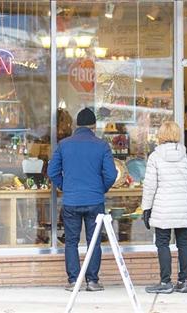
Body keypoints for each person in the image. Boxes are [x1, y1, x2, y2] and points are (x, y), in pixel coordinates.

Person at [48, 108, 117, 292]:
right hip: (95, 201)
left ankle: (73, 281)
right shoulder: (101, 145)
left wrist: (65, 187)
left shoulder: (64, 144)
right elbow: (111, 174)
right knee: (93, 241)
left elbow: (52, 171)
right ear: (94, 125)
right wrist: (100, 189)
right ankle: (92, 281)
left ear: (77, 124)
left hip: (71, 201)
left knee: (71, 241)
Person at [142, 121, 187, 294]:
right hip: (183, 206)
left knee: (162, 243)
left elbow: (150, 186)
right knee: (183, 242)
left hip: (163, 207)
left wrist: (146, 208)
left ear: (160, 135)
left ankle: (165, 282)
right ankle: (183, 282)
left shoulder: (155, 156)